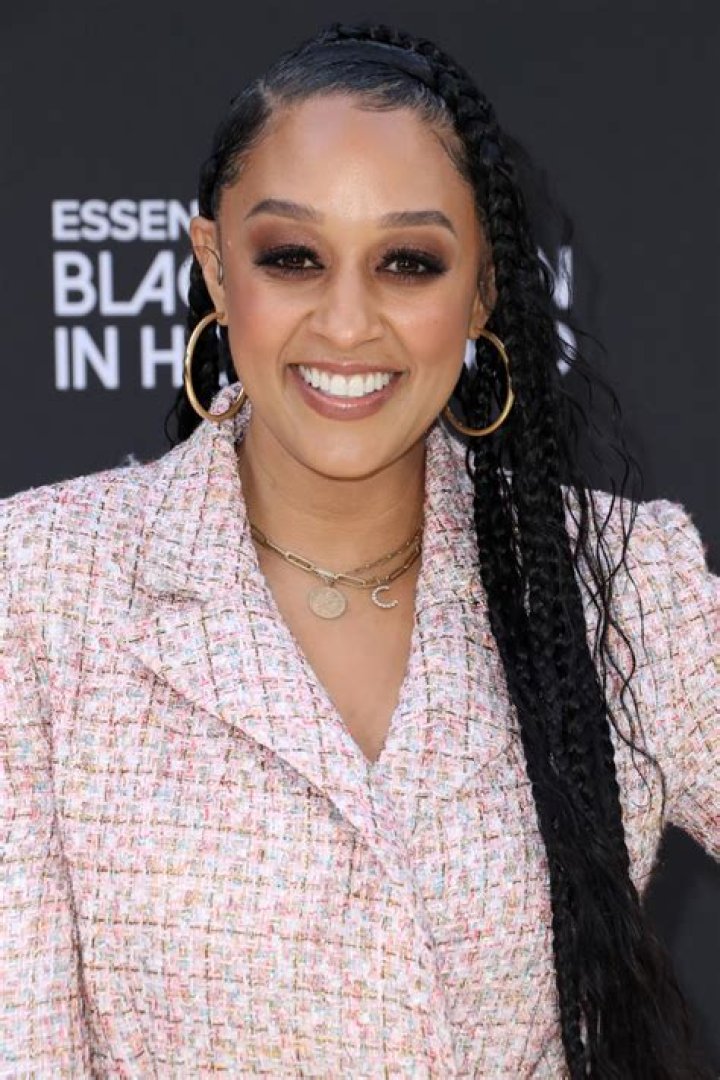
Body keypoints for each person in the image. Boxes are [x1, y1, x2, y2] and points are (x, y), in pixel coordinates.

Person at [0, 21, 717, 1080]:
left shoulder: (622, 583)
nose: (346, 324)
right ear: (215, 265)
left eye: (408, 263)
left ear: (480, 292)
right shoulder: (37, 586)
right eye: (292, 258)